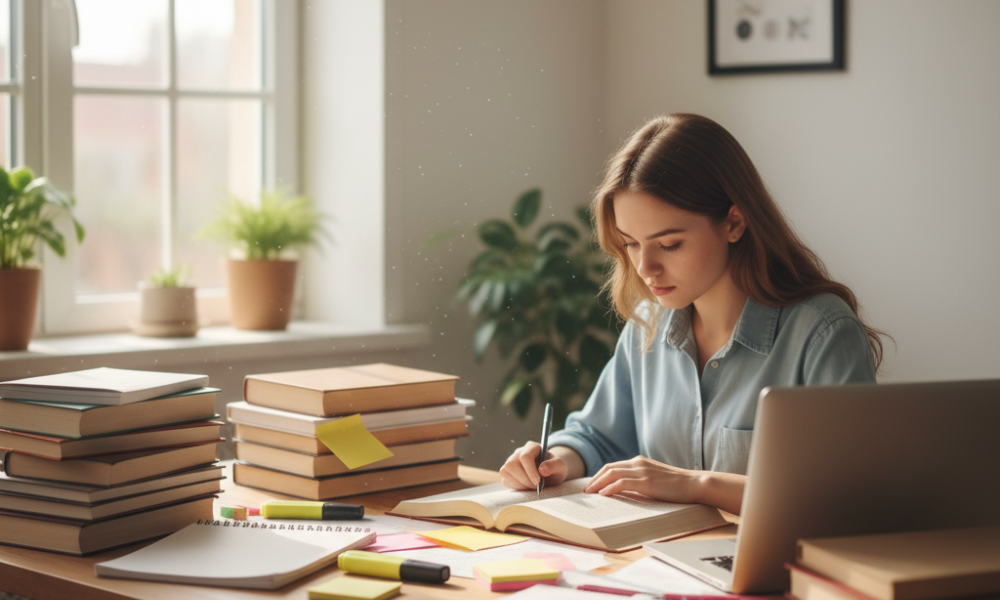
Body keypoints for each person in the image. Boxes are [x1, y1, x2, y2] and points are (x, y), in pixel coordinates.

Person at [499, 113, 887, 515]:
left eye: (668, 244)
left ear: (733, 223)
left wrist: (696, 485)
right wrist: (556, 458)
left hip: (777, 570)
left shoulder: (822, 333)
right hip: (656, 563)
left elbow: (847, 494)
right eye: (631, 244)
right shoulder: (646, 327)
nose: (645, 267)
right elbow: (597, 436)